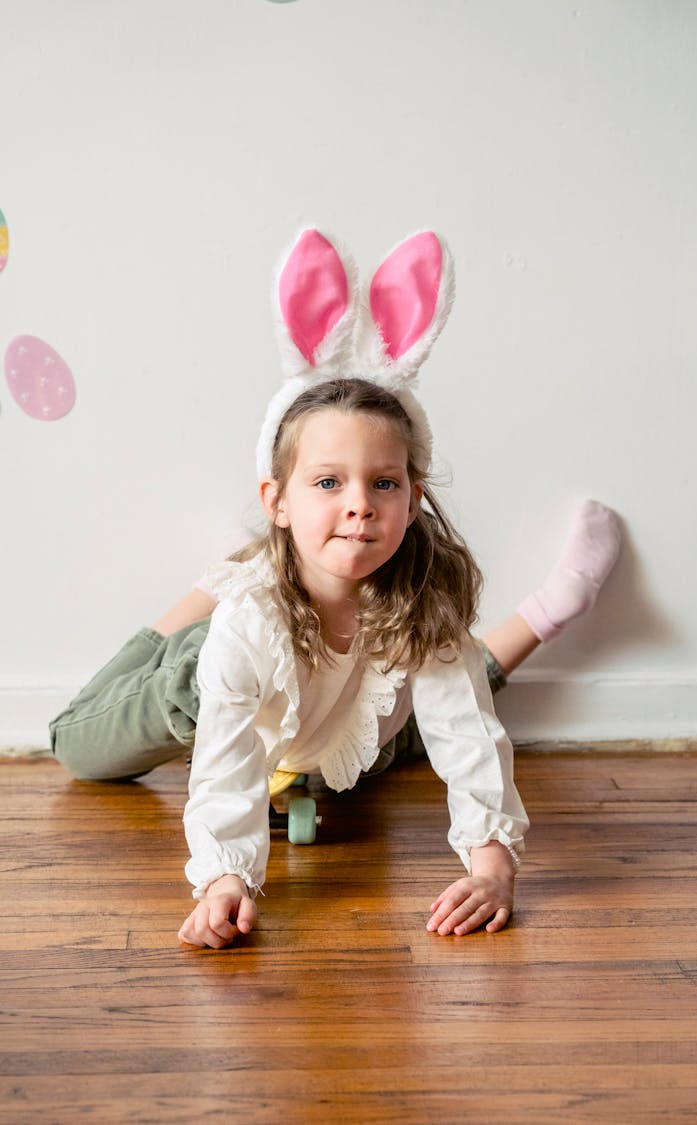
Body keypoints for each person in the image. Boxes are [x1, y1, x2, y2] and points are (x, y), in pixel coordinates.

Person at [50, 230, 621, 949]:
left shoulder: (421, 594)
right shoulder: (247, 626)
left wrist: (492, 866)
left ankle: (554, 604)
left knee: (427, 708)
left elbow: (467, 731)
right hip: (220, 688)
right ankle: (209, 585)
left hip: (339, 724)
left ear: (412, 500)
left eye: (383, 483)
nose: (360, 504)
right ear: (278, 498)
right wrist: (226, 879)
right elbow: (227, 763)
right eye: (327, 482)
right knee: (75, 744)